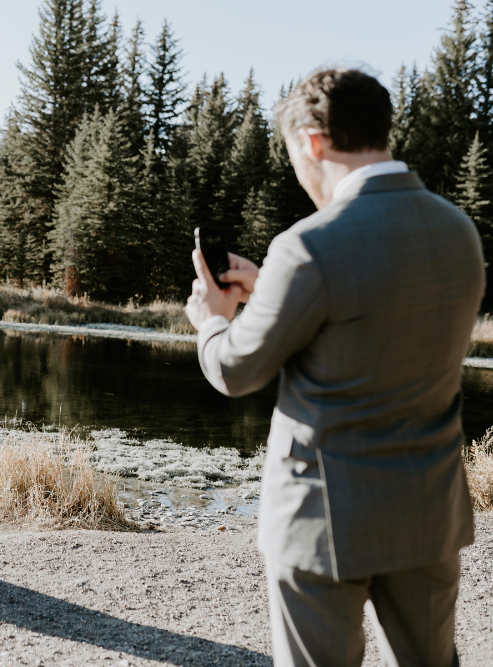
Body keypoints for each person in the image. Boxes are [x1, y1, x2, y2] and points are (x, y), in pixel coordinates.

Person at [185, 68, 482, 666]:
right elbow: (379, 319)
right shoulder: (459, 232)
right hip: (428, 513)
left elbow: (236, 370)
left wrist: (213, 320)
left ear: (311, 143)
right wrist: (273, 288)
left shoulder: (309, 245)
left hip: (324, 522)